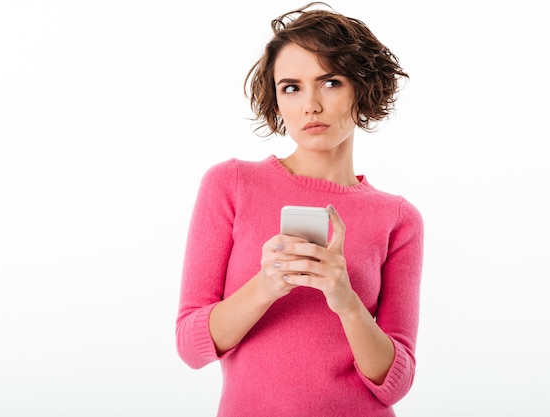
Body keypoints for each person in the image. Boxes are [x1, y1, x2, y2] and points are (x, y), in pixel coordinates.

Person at [175, 3, 424, 416]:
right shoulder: (231, 184)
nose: (310, 104)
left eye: (330, 82)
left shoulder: (398, 218)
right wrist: (266, 286)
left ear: (362, 89)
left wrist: (346, 300)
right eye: (291, 87)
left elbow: (394, 383)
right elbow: (190, 346)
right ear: (276, 101)